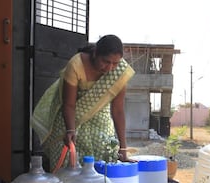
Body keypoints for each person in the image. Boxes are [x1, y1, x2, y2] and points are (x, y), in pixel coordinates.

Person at [31, 34, 135, 171]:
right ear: (95, 53)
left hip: (100, 121)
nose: (110, 68)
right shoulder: (76, 65)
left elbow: (118, 111)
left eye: (115, 63)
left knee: (103, 162)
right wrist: (70, 130)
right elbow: (69, 104)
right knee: (68, 162)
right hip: (71, 118)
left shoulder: (120, 72)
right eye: (105, 61)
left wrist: (123, 147)